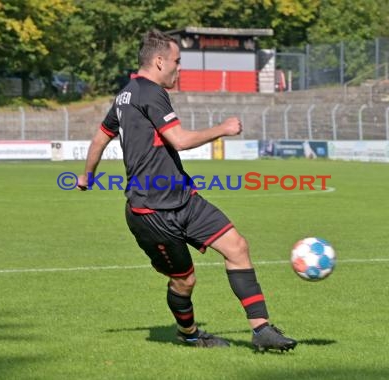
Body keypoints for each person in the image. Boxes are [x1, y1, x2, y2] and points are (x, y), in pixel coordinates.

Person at [77, 29, 297, 352]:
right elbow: (178, 140)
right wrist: (222, 129)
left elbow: (100, 137)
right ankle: (190, 334)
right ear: (159, 61)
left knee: (236, 246)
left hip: (183, 198)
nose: (179, 69)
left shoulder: (125, 94)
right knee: (184, 280)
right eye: (177, 62)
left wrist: (87, 176)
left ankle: (261, 329)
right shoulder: (150, 92)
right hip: (152, 212)